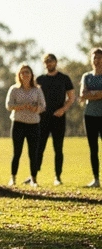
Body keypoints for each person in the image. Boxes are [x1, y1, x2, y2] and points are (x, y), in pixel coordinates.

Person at [35, 54, 75, 185]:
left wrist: (63, 109)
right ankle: (33, 176)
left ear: (56, 62)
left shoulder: (64, 78)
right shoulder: (39, 80)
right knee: (39, 148)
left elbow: (71, 97)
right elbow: (33, 96)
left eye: (50, 61)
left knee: (58, 148)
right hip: (42, 118)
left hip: (59, 118)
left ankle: (58, 177)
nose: (48, 64)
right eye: (46, 62)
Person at [5, 64, 46, 187]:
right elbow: (8, 105)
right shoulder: (14, 89)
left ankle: (33, 179)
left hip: (33, 124)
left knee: (33, 153)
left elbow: (43, 106)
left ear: (31, 74)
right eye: (22, 73)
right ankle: (13, 178)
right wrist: (22, 106)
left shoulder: (37, 90)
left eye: (27, 72)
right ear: (19, 75)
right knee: (17, 152)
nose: (25, 75)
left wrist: (35, 108)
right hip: (18, 124)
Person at [79, 47, 102, 188]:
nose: (97, 60)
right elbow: (82, 95)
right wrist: (98, 93)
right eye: (94, 57)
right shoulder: (86, 76)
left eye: (99, 57)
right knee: (93, 148)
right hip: (90, 116)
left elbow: (88, 94)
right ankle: (96, 179)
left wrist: (91, 93)